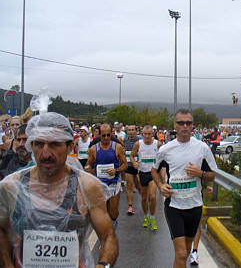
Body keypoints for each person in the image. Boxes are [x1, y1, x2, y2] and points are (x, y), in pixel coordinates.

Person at [0, 112, 118, 267]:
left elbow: (108, 236)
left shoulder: (87, 187)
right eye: (39, 144)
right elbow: (2, 232)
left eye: (55, 144)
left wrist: (103, 265)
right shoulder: (11, 186)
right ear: (31, 146)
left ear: (69, 146)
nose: (46, 153)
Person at [152, 109, 217, 268]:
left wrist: (200, 173)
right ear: (175, 125)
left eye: (188, 123)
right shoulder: (166, 149)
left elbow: (213, 175)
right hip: (174, 206)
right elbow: (153, 169)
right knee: (181, 254)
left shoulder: (202, 148)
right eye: (181, 123)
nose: (185, 126)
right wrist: (161, 186)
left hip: (194, 205)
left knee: (186, 251)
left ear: (192, 125)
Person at [85, 124, 127, 224]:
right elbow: (88, 165)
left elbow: (125, 165)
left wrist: (116, 170)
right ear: (99, 135)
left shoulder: (117, 147)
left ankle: (111, 216)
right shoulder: (94, 149)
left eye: (108, 135)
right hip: (99, 183)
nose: (106, 138)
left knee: (114, 214)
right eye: (104, 135)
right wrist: (88, 168)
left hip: (113, 182)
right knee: (101, 214)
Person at [130, 125, 162, 230]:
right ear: (142, 134)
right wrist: (134, 162)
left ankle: (152, 217)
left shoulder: (157, 144)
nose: (147, 136)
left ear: (152, 134)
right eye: (145, 134)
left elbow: (164, 156)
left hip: (153, 174)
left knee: (152, 196)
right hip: (142, 173)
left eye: (149, 134)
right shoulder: (138, 144)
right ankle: (146, 216)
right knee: (144, 197)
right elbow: (132, 155)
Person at [124, 125, 141, 215]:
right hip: (128, 166)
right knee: (129, 186)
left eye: (132, 130)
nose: (130, 132)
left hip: (138, 167)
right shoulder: (125, 141)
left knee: (139, 186)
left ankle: (144, 198)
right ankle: (130, 206)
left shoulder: (140, 141)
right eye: (129, 130)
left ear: (136, 131)